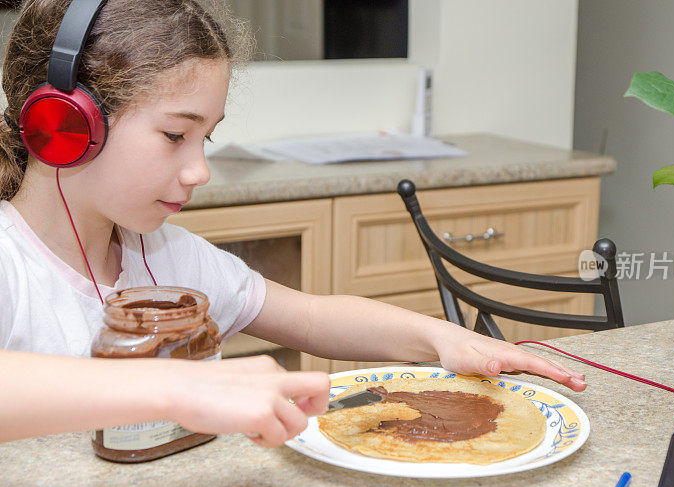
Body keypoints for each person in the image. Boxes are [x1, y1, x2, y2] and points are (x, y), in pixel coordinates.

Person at [0, 0, 585, 445]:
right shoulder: (11, 263)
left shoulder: (171, 258)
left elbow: (309, 315)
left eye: (207, 137)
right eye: (176, 135)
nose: (199, 170)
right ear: (65, 123)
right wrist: (182, 390)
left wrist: (445, 340)